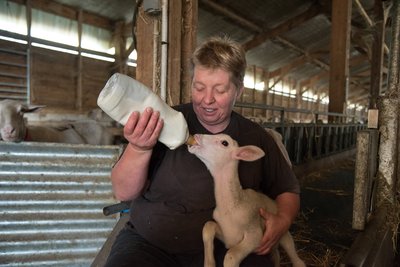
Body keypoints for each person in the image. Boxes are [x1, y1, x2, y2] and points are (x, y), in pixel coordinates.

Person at [104, 36, 301, 267]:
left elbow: (287, 189)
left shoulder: (255, 138)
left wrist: (283, 219)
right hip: (151, 245)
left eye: (220, 90)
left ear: (238, 90)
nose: (207, 100)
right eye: (199, 88)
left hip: (228, 247)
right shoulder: (163, 120)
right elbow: (123, 192)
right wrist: (139, 148)